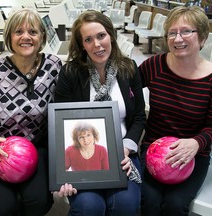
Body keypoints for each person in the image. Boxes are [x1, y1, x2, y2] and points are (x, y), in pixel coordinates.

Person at [0, 9, 62, 216]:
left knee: (38, 201)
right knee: (4, 206)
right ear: (9, 36)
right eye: (18, 31)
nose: (26, 37)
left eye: (33, 31)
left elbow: (62, 110)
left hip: (35, 149)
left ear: (42, 37)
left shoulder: (53, 66)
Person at [54, 10, 146, 216]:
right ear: (81, 45)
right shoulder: (70, 73)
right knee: (89, 206)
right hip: (81, 154)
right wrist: (63, 171)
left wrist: (125, 148)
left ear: (111, 35)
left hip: (123, 152)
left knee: (126, 204)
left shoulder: (129, 69)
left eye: (101, 36)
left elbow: (139, 116)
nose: (97, 44)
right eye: (88, 39)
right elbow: (60, 123)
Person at [138, 6, 212, 216]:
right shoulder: (154, 65)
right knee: (149, 200)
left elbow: (211, 126)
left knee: (175, 205)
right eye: (172, 32)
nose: (178, 38)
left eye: (186, 31)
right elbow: (128, 93)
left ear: (203, 38)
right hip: (154, 146)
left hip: (193, 152)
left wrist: (196, 143)